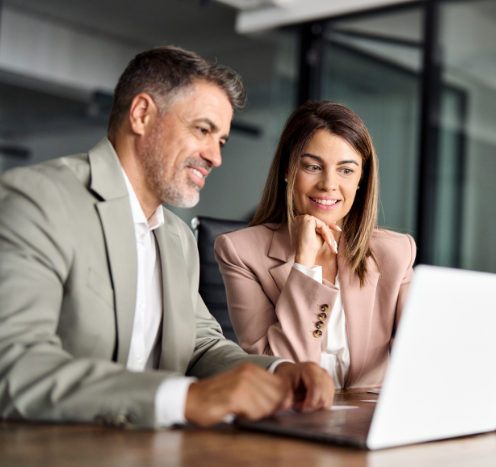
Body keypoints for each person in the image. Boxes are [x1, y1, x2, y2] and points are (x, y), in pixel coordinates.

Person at [0, 46, 334, 429]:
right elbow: (14, 363)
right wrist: (182, 398)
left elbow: (201, 347)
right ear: (142, 115)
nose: (215, 157)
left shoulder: (175, 235)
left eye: (221, 140)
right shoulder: (38, 199)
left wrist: (280, 371)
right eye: (203, 130)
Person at [215, 101, 416, 389]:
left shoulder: (396, 252)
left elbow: (420, 353)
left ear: (362, 179)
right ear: (288, 169)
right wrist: (304, 264)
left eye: (346, 170)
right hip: (289, 418)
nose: (328, 184)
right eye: (313, 166)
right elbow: (280, 367)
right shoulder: (239, 252)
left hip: (368, 420)